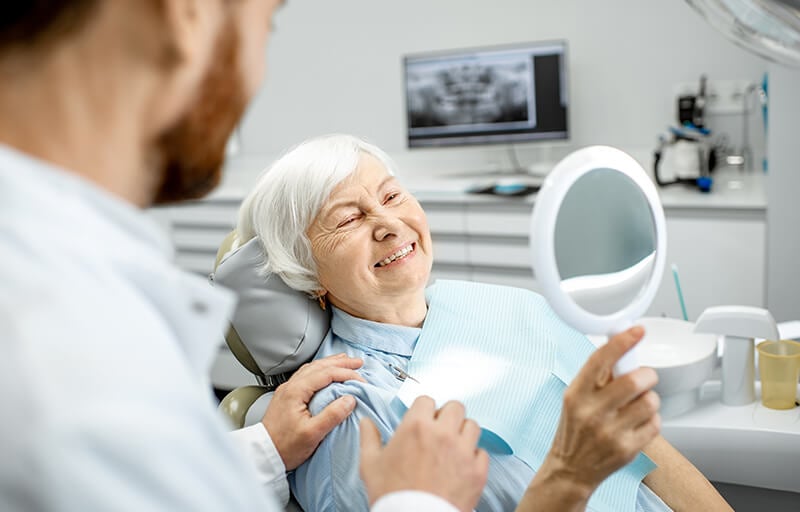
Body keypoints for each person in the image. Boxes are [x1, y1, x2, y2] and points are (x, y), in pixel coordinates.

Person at [0, 2, 488, 511]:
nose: (258, 71)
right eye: (267, 21)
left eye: (390, 196)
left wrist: (265, 450)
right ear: (187, 14)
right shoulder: (56, 345)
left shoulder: (64, 292)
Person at [236, 134, 734, 512]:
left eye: (391, 197)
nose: (388, 224)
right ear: (307, 272)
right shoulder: (345, 411)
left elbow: (645, 447)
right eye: (347, 220)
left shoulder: (512, 306)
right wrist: (569, 473)